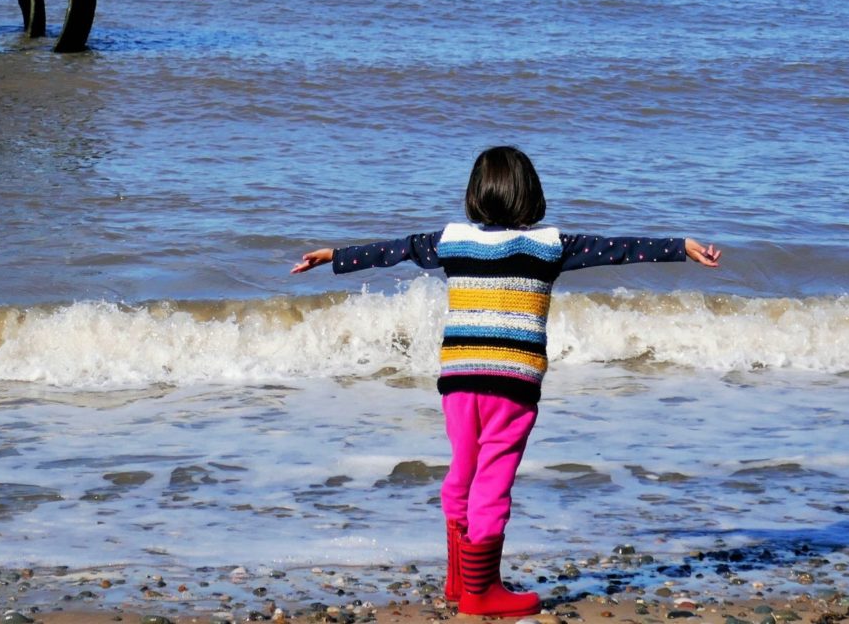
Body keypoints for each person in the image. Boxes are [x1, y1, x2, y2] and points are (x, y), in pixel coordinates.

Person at [292, 145, 721, 617]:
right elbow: (617, 250)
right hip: (512, 385)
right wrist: (680, 247)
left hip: (457, 380)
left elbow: (397, 249)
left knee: (462, 472)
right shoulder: (551, 244)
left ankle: (460, 581)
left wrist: (337, 256)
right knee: (493, 482)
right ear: (530, 194)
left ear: (476, 194)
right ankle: (481, 593)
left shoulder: (450, 239)